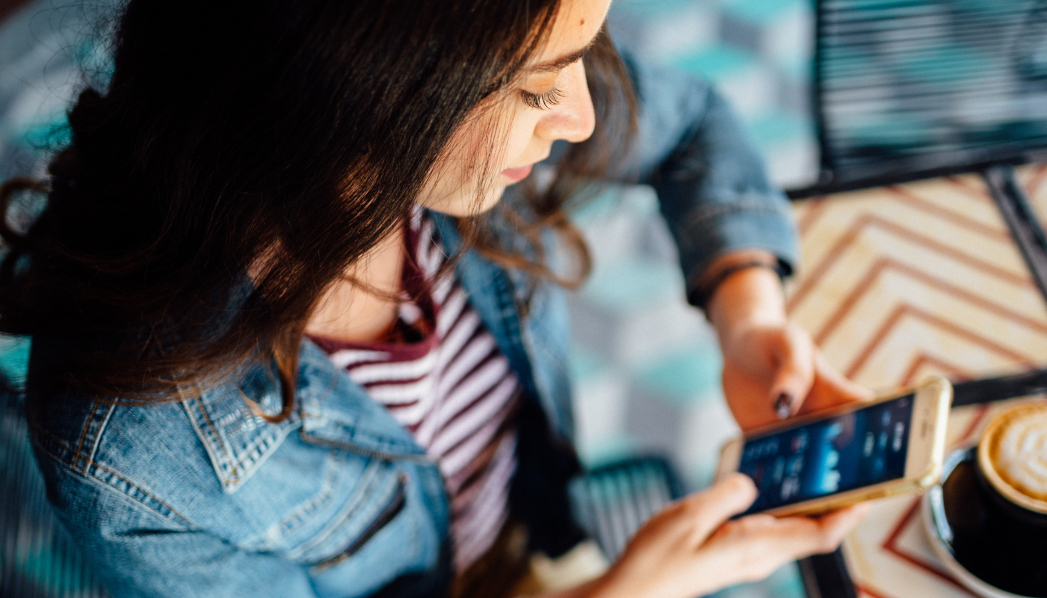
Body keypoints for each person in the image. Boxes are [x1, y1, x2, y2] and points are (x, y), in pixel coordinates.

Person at [0, 0, 870, 596]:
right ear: (362, 87)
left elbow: (688, 125)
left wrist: (746, 313)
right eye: (536, 87)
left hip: (529, 531)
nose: (578, 117)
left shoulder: (456, 132)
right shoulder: (132, 446)